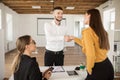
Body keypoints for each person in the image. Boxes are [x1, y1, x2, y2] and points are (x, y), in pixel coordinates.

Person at [70, 9, 114, 80]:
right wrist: (74, 38)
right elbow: (88, 46)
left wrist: (89, 68)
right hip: (108, 66)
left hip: (97, 69)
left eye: (85, 15)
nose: (84, 17)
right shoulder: (102, 32)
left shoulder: (87, 32)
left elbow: (91, 54)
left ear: (89, 16)